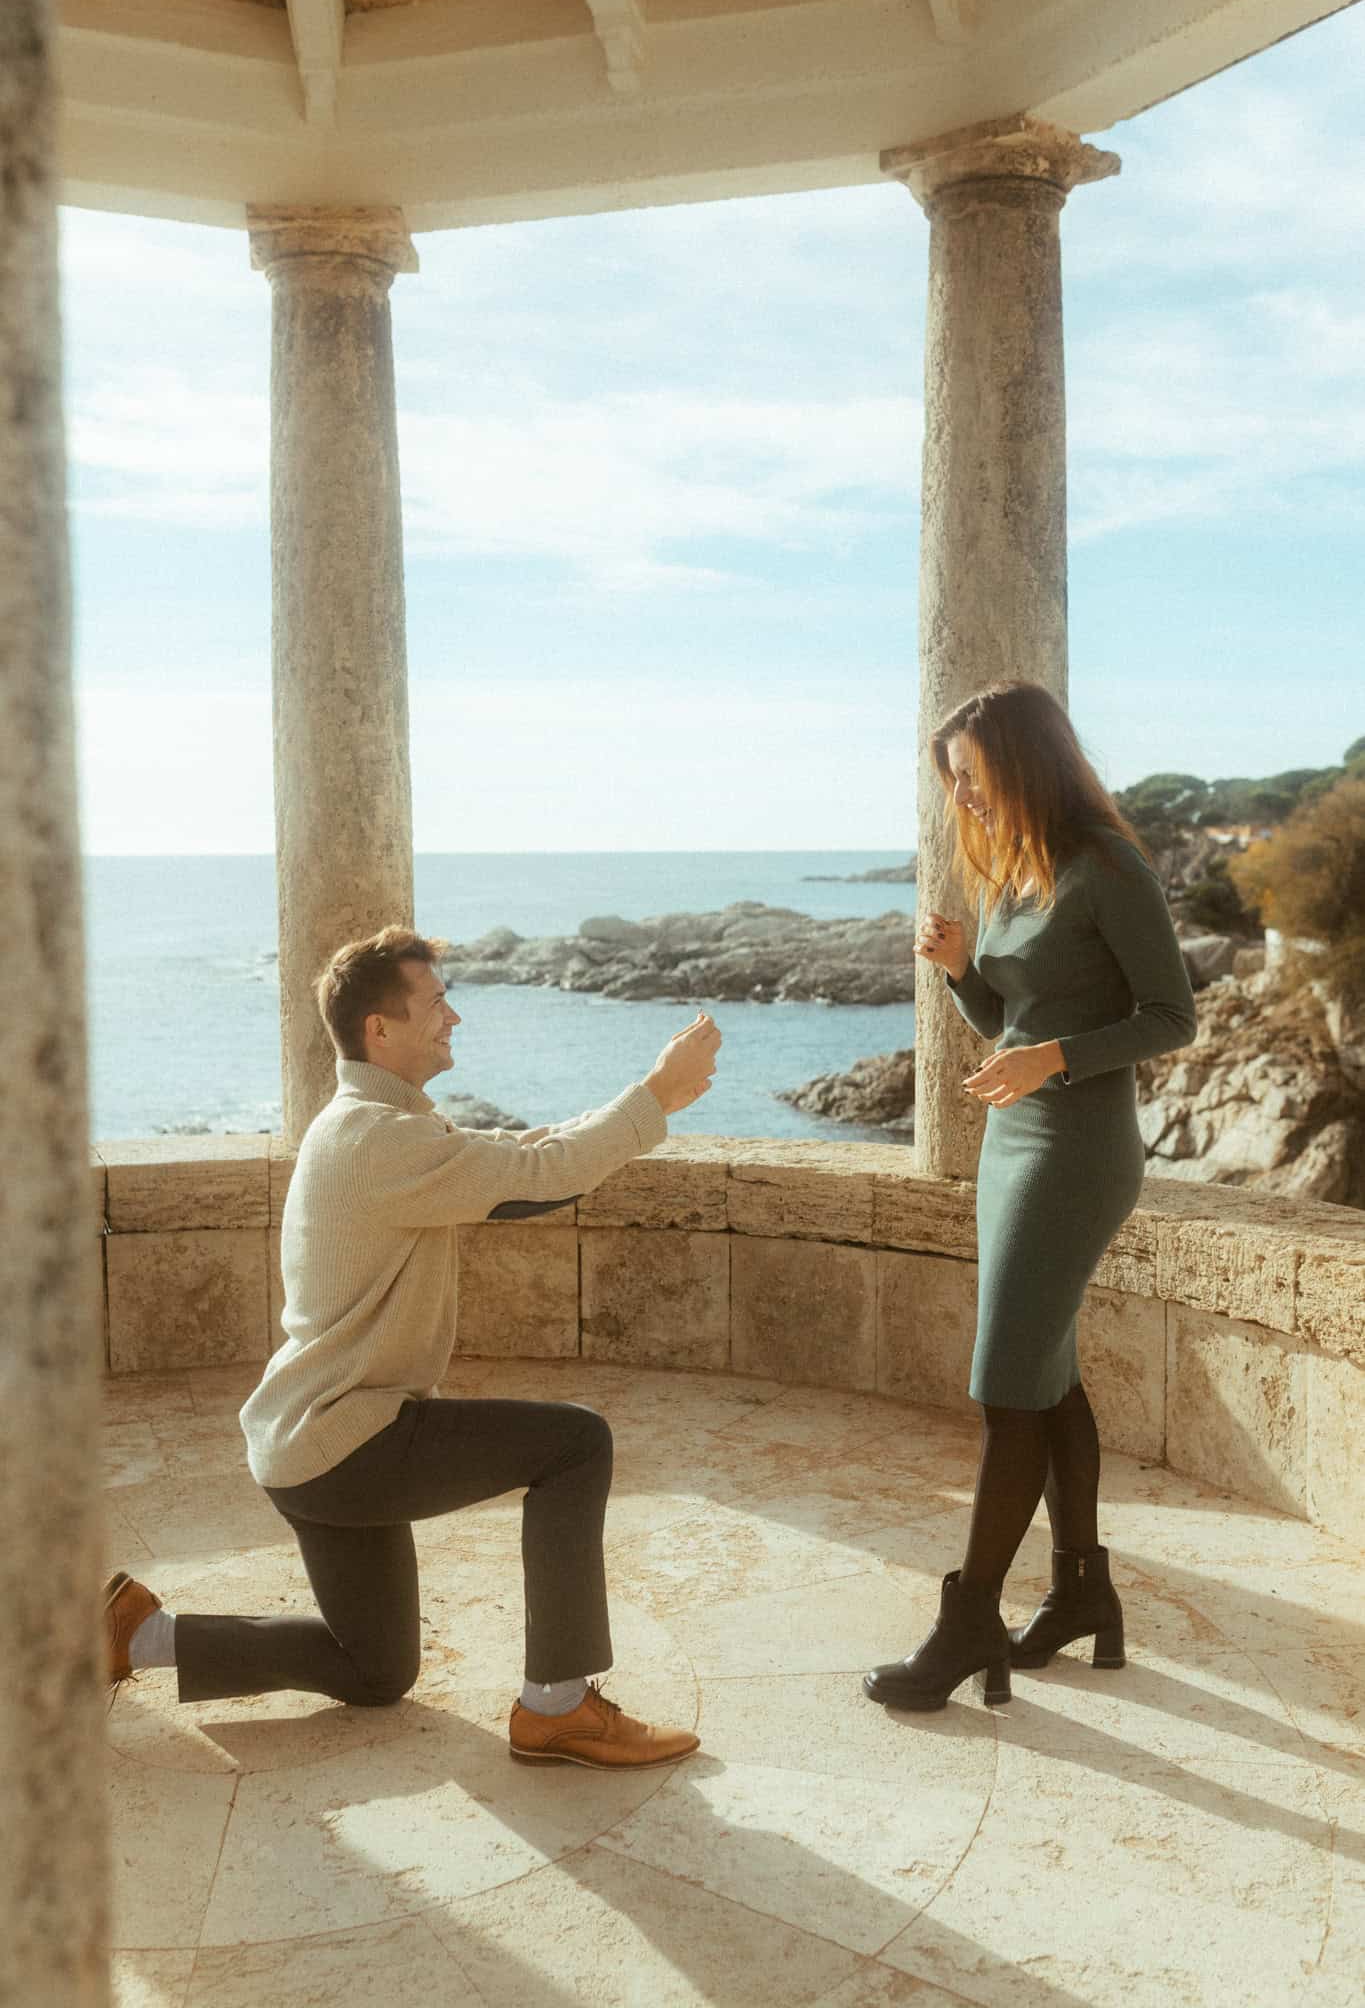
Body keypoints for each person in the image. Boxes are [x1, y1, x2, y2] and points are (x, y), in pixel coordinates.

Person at [105, 925, 722, 1770]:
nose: (454, 1017)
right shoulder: (375, 1138)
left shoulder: (377, 1124)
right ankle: (560, 1705)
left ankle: (139, 1636)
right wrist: (655, 1097)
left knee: (375, 1669)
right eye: (434, 1003)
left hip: (307, 1448)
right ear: (379, 1031)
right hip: (347, 1443)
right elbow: (534, 1182)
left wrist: (643, 1101)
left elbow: (516, 1157)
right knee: (576, 1444)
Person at [864, 681, 1198, 1712]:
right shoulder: (1017, 867)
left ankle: (968, 1624)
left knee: (1006, 1383)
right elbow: (1010, 1020)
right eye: (953, 779)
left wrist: (1052, 1055)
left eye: (971, 773)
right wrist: (966, 971)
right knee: (1044, 1377)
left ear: (1024, 760)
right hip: (1018, 1140)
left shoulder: (1108, 865)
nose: (961, 796)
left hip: (1080, 1148)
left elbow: (1172, 1016)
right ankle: (1081, 1593)